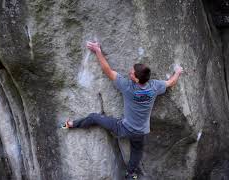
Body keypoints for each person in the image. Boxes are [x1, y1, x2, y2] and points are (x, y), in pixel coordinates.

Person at [62, 42, 183, 179]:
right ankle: (130, 175)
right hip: (140, 131)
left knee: (94, 117)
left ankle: (69, 124)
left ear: (136, 79)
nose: (129, 72)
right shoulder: (155, 87)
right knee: (136, 151)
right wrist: (177, 72)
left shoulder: (127, 87)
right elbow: (171, 82)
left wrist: (98, 51)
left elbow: (107, 70)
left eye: (131, 72)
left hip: (123, 128)